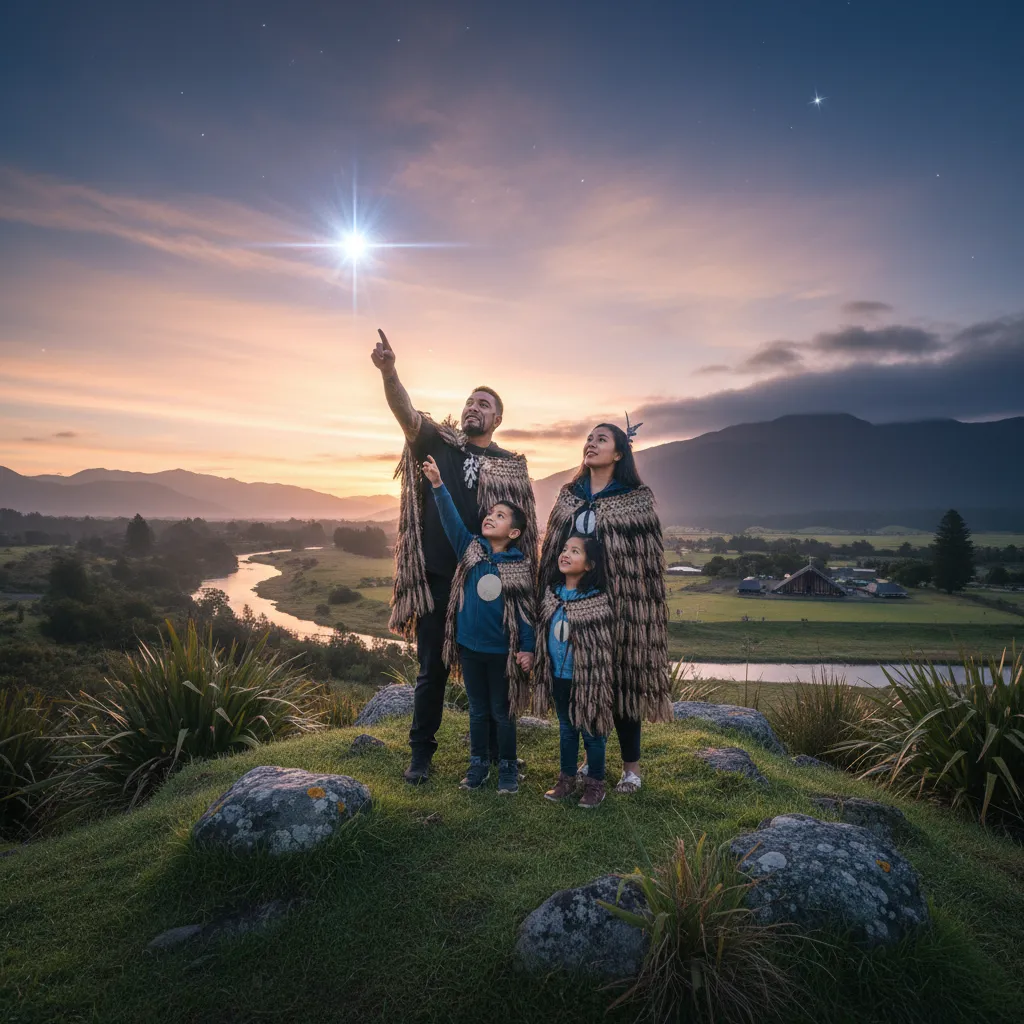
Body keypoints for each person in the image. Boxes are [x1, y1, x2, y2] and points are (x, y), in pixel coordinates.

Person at [371, 329, 537, 784]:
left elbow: (526, 533)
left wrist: (523, 590)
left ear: (498, 419)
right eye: (470, 400)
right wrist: (390, 372)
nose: (473, 407)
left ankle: (493, 757)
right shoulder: (438, 443)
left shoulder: (511, 464)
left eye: (484, 404)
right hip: (438, 578)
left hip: (492, 588)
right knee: (432, 672)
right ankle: (421, 754)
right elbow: (405, 412)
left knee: (495, 675)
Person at [538, 421, 671, 794]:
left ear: (618, 453)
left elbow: (644, 562)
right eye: (589, 438)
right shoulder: (569, 495)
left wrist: (634, 609)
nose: (591, 444)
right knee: (583, 683)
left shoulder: (635, 499)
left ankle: (631, 768)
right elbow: (553, 550)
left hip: (622, 607)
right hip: (574, 606)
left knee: (622, 681)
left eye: (601, 439)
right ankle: (590, 763)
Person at [422, 455, 535, 794]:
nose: (490, 517)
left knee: (502, 712)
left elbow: (525, 614)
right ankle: (478, 765)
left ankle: (508, 769)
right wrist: (439, 486)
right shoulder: (470, 549)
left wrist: (527, 649)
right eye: (490, 513)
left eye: (499, 516)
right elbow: (451, 521)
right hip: (470, 649)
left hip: (502, 653)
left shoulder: (519, 568)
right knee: (477, 711)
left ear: (513, 533)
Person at [532, 533, 614, 809]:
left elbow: (602, 643)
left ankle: (595, 785)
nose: (566, 554)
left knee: (592, 731)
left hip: (588, 680)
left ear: (590, 564)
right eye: (565, 549)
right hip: (559, 676)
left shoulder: (597, 600)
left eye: (575, 551)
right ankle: (566, 779)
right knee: (566, 729)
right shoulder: (551, 594)